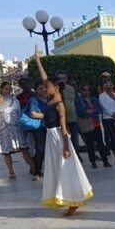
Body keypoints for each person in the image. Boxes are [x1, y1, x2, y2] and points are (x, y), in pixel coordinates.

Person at [34, 46, 93, 216]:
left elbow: (64, 126)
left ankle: (73, 199)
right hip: (51, 137)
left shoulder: (59, 104)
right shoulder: (50, 99)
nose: (45, 89)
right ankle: (65, 197)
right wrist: (38, 61)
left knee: (65, 168)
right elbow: (45, 78)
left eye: (48, 87)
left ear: (56, 88)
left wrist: (66, 146)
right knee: (57, 168)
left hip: (60, 138)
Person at [0, 81, 34, 179]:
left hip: (16, 129)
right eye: (6, 88)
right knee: (7, 152)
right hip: (4, 130)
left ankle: (33, 168)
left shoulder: (15, 101)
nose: (8, 90)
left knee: (24, 149)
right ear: (1, 89)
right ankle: (11, 172)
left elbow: (19, 113)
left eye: (9, 88)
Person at [76, 84, 111, 168]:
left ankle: (105, 161)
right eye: (84, 89)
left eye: (88, 90)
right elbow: (80, 112)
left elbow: (99, 110)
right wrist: (92, 111)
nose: (86, 91)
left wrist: (90, 111)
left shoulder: (94, 99)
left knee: (101, 144)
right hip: (87, 125)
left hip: (96, 124)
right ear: (81, 91)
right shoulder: (78, 101)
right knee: (90, 145)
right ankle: (93, 162)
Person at [25, 81, 49, 180]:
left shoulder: (49, 98)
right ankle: (37, 171)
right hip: (39, 127)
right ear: (35, 90)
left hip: (50, 126)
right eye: (40, 88)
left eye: (44, 88)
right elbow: (33, 114)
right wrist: (48, 116)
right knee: (40, 149)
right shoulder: (33, 100)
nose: (43, 90)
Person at [55, 70, 80, 154]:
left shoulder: (70, 88)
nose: (62, 80)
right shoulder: (54, 89)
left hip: (72, 117)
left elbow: (75, 101)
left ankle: (76, 155)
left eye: (64, 78)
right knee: (64, 139)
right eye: (59, 78)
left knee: (74, 140)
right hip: (60, 119)